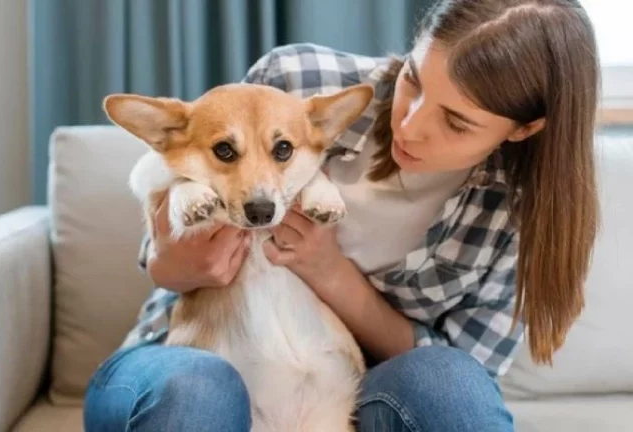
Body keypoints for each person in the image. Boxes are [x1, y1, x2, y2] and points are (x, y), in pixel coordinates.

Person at [83, 0, 601, 430]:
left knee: (449, 382)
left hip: (341, 382)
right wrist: (177, 260)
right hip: (181, 357)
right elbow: (178, 199)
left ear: (522, 129)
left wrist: (329, 271)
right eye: (414, 82)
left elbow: (467, 370)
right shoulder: (298, 81)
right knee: (199, 389)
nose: (411, 126)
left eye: (457, 122)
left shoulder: (518, 211)